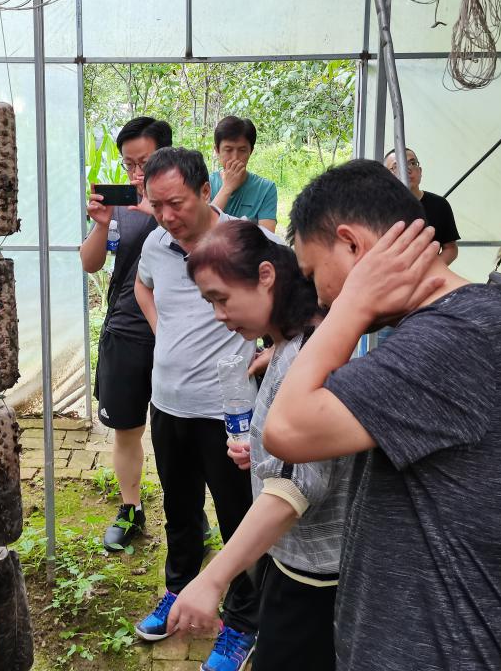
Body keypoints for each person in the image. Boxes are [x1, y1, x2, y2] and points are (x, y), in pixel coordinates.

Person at [264, 159, 501, 670]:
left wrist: (354, 303)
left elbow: (287, 429)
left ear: (352, 245)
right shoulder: (467, 324)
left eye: (313, 274)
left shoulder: (455, 337)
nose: (319, 297)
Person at [164, 219, 353, 670]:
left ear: (266, 276)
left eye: (221, 298)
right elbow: (310, 455)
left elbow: (293, 490)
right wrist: (265, 451)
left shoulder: (305, 358)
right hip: (298, 561)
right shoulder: (292, 344)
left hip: (314, 577)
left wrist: (213, 579)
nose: (218, 315)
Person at [133, 147, 281, 671]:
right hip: (167, 403)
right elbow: (142, 286)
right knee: (179, 509)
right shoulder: (155, 244)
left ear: (204, 190)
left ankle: (242, 623)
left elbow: (302, 291)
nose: (166, 216)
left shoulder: (246, 241)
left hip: (228, 415)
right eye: (156, 205)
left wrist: (275, 351)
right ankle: (179, 593)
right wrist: (164, 333)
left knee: (239, 518)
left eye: (176, 203)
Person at [79, 116, 172, 550]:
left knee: (178, 433)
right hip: (126, 331)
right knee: (127, 429)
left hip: (177, 335)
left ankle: (187, 510)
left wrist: (161, 212)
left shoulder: (186, 206)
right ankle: (130, 508)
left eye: (145, 163)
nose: (136, 174)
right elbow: (90, 263)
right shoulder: (119, 209)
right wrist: (101, 223)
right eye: (129, 164)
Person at [384, 147, 460, 264]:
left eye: (412, 163)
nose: (407, 169)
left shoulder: (439, 205)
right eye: (397, 166)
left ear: (420, 171)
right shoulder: (379, 209)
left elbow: (450, 248)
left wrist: (431, 268)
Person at [208, 116, 278, 232]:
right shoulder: (206, 184)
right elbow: (202, 231)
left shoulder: (266, 189)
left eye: (242, 150)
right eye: (228, 150)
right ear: (217, 151)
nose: (235, 157)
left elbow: (268, 237)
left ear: (251, 151)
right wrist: (227, 187)